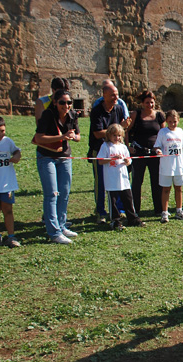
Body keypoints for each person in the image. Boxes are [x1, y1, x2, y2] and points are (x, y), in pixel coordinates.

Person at [34, 90, 81, 244]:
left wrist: (74, 136)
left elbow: (78, 136)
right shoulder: (48, 115)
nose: (66, 106)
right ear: (55, 102)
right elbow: (39, 137)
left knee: (65, 192)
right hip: (46, 156)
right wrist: (62, 137)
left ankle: (62, 225)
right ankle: (54, 232)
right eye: (62, 102)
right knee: (52, 194)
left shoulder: (73, 115)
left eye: (69, 102)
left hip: (65, 157)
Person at [89, 83, 131, 224]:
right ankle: (101, 212)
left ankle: (119, 211)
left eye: (117, 95)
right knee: (101, 183)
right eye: (113, 95)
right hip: (102, 150)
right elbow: (97, 133)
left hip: (118, 151)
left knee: (119, 181)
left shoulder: (118, 108)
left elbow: (122, 132)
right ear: (104, 95)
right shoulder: (97, 111)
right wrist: (118, 129)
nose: (116, 98)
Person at [97, 124, 145, 230]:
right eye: (114, 135)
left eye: (119, 135)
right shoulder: (106, 146)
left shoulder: (123, 147)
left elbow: (129, 160)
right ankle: (115, 220)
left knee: (128, 199)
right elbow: (100, 161)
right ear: (109, 135)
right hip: (111, 179)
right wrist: (111, 158)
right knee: (113, 201)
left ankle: (132, 218)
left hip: (123, 179)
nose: (117, 138)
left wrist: (128, 161)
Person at [126, 90, 166, 215]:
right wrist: (127, 147)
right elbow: (126, 130)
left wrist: (163, 149)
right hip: (139, 152)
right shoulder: (135, 114)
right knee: (137, 182)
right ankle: (135, 210)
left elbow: (164, 133)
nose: (150, 105)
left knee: (156, 181)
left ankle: (159, 209)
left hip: (154, 153)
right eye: (147, 103)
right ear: (142, 103)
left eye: (152, 102)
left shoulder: (159, 115)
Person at [0, 116, 21, 248]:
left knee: (8, 210)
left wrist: (16, 156)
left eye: (2, 130)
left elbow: (17, 151)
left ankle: (11, 236)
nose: (0, 134)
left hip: (6, 184)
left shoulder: (7, 142)